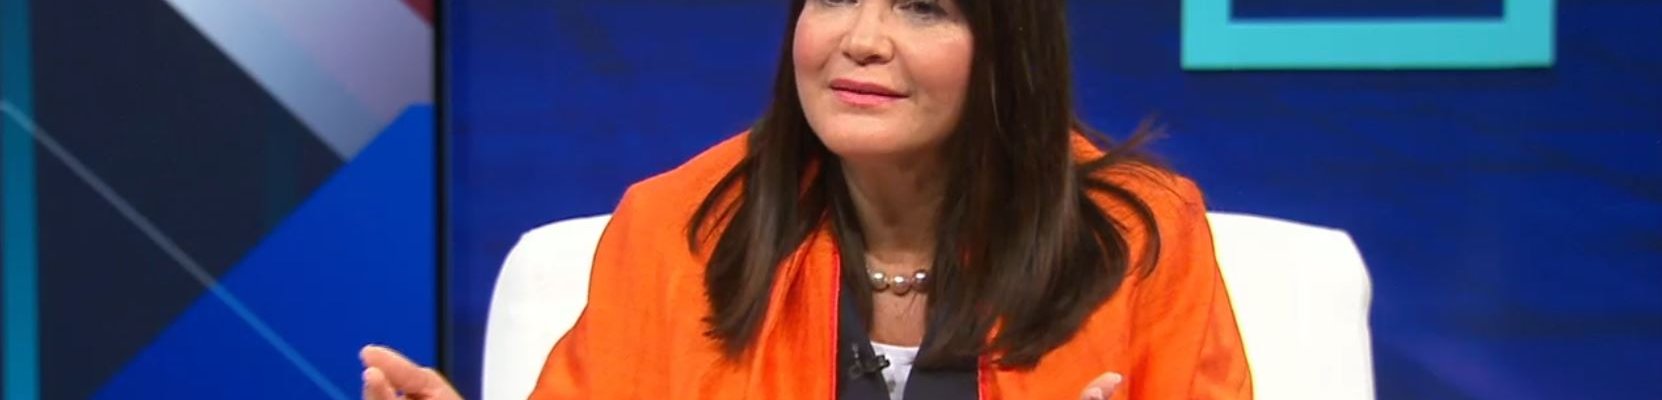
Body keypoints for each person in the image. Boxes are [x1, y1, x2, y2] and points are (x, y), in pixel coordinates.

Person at [363, 0, 1252, 398]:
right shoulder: (676, 232)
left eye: (922, 7)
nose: (862, 39)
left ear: (1008, 49)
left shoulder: (1138, 237)